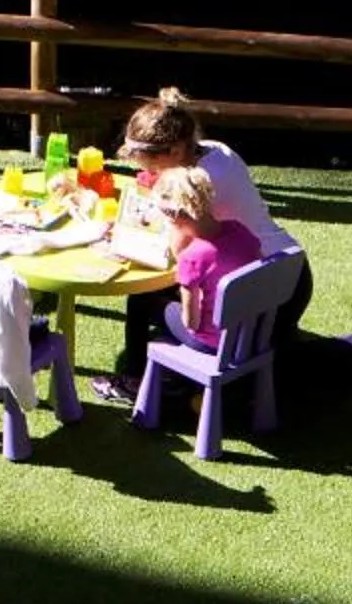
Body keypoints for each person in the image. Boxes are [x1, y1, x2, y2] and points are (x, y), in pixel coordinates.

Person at [103, 87, 307, 399]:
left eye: (153, 167)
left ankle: (133, 380)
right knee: (279, 357)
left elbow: (175, 249)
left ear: (174, 151)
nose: (150, 174)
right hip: (289, 270)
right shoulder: (215, 151)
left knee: (143, 299)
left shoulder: (195, 189)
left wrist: (124, 237)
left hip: (255, 289)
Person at [148, 164, 264, 350]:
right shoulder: (239, 230)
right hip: (248, 333)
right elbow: (259, 269)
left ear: (173, 217)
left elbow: (191, 324)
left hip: (212, 342)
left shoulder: (191, 258)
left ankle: (134, 365)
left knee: (141, 302)